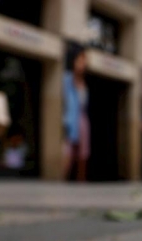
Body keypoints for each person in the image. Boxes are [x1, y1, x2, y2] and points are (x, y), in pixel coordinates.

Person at [62, 43, 90, 182]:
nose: (84, 63)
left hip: (82, 120)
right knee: (68, 155)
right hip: (69, 120)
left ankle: (81, 185)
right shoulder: (66, 80)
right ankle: (62, 184)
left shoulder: (84, 82)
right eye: (81, 59)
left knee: (82, 156)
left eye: (85, 59)